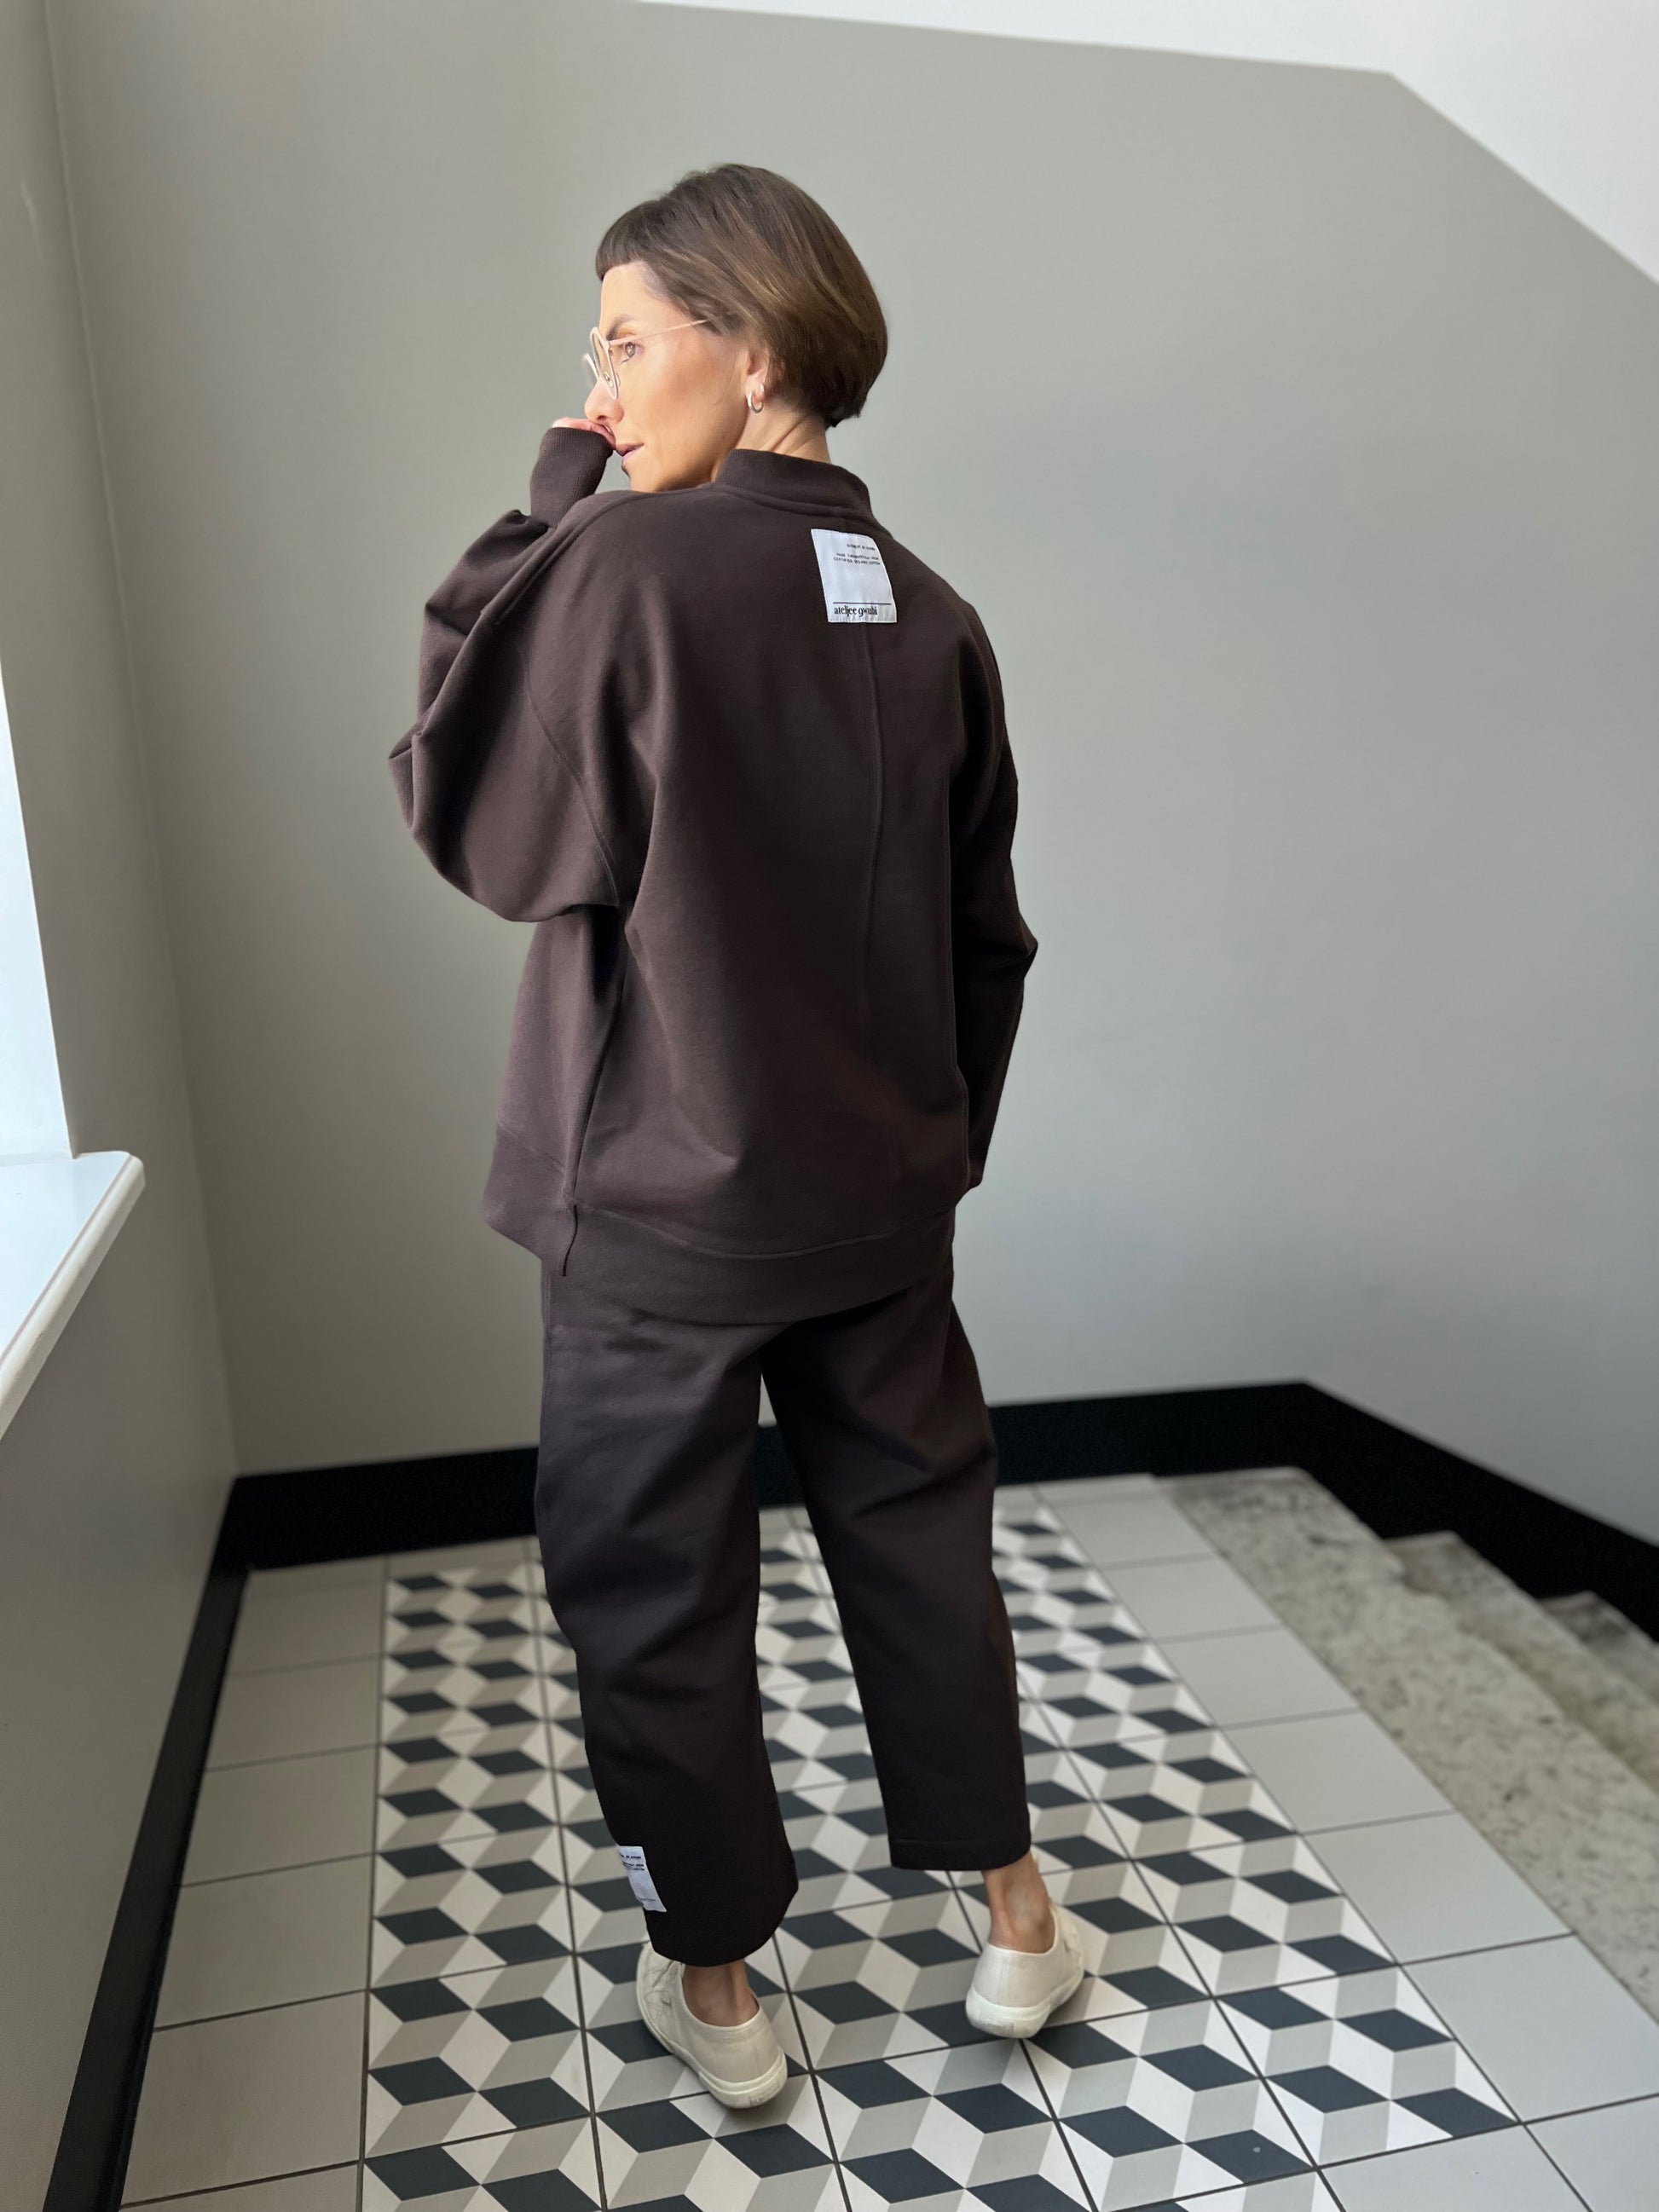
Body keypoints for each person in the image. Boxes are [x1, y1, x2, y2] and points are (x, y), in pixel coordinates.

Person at [390, 163, 1082, 2106]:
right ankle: (1016, 1915)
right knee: (921, 1547)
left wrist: (554, 497)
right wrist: (930, 1149)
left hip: (657, 1213)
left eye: (625, 342)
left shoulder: (620, 567)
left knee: (653, 1582)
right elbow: (987, 935)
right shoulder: (934, 615)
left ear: (750, 348)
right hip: (879, 1203)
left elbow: (464, 804)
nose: (601, 390)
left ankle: (717, 1981)